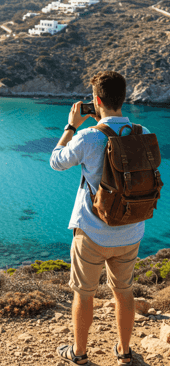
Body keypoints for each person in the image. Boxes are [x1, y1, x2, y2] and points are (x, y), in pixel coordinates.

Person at [50, 71, 150, 366]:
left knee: (84, 293)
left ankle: (79, 354)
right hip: (131, 231)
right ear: (124, 97)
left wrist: (71, 126)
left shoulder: (89, 136)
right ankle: (124, 352)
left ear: (96, 100)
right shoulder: (142, 132)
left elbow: (56, 161)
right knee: (124, 292)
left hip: (92, 232)